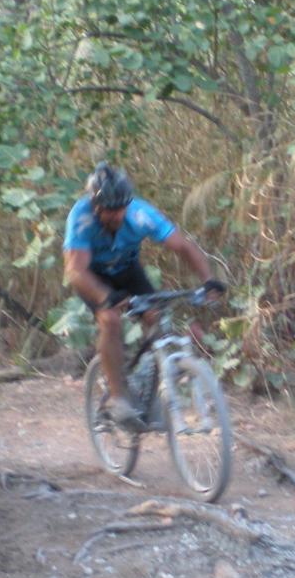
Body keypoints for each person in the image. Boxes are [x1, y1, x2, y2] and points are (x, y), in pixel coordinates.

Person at [64, 162, 225, 424]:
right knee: (110, 320)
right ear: (96, 207)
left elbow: (183, 247)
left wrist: (208, 281)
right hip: (91, 276)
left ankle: (148, 387)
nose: (117, 216)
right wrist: (106, 297)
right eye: (110, 211)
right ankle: (118, 399)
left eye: (121, 210)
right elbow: (76, 271)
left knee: (155, 318)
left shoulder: (140, 214)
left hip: (128, 270)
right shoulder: (80, 217)